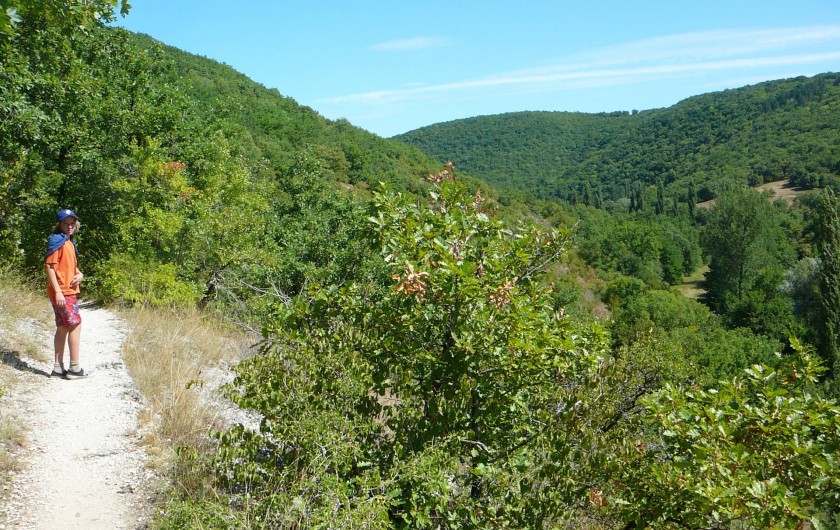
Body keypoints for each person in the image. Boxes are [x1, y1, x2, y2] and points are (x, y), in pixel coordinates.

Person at [45, 209, 90, 379]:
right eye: (66, 223)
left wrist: (80, 274)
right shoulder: (57, 241)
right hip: (63, 291)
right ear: (59, 224)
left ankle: (58, 368)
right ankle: (74, 368)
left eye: (72, 223)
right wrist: (58, 292)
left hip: (65, 290)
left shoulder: (68, 241)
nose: (70, 226)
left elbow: (69, 265)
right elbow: (49, 266)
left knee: (63, 326)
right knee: (75, 325)